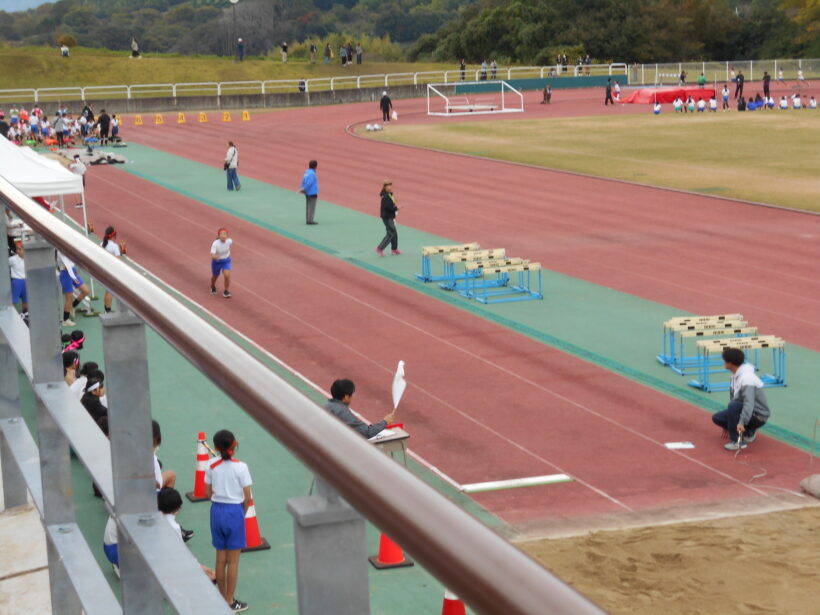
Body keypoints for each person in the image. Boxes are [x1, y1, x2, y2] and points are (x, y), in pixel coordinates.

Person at [204, 429, 252, 613]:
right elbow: (247, 498)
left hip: (216, 511)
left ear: (215, 447)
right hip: (235, 511)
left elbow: (207, 493)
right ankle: (230, 602)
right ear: (234, 444)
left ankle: (222, 597)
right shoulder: (241, 467)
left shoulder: (210, 465)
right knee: (233, 561)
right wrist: (241, 512)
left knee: (220, 558)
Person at [711, 348, 770, 451]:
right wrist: (729, 425)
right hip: (744, 410)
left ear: (730, 363)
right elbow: (733, 398)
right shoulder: (734, 376)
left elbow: (749, 403)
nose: (723, 362)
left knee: (733, 407)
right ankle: (748, 431)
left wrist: (741, 422)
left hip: (758, 415)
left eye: (725, 360)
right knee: (717, 418)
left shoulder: (747, 378)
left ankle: (738, 441)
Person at [157, 489, 215, 577]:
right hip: (171, 568)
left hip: (159, 562)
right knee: (211, 575)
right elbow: (182, 554)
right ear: (178, 508)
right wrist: (199, 566)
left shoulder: (156, 520)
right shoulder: (174, 527)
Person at [323, 379, 396, 438]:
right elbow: (368, 432)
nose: (353, 395)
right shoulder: (343, 412)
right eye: (352, 393)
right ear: (346, 396)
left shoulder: (326, 405)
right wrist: (385, 421)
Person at [57, 250, 90, 327]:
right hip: (66, 274)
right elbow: (67, 266)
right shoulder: (60, 251)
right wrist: (73, 276)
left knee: (86, 291)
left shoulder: (66, 248)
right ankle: (65, 320)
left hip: (73, 271)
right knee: (69, 298)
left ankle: (72, 306)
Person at [375, 180, 401, 256]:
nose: (390, 187)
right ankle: (380, 248)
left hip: (390, 216)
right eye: (388, 186)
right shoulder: (386, 196)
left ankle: (394, 249)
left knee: (394, 233)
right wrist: (396, 208)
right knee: (391, 233)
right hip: (387, 217)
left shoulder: (389, 194)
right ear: (385, 187)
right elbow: (388, 207)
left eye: (390, 185)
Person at [100, 226, 122, 313]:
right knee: (110, 291)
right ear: (113, 235)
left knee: (107, 291)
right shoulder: (114, 246)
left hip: (103, 270)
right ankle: (108, 310)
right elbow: (118, 260)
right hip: (111, 271)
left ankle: (106, 309)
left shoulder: (101, 244)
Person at [210, 228, 232, 298]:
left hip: (226, 261)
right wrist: (216, 257)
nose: (223, 236)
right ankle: (212, 285)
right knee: (215, 276)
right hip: (217, 262)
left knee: (227, 275)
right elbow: (212, 254)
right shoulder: (215, 244)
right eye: (221, 234)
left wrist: (226, 254)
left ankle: (226, 291)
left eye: (225, 234)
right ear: (219, 236)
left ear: (227, 235)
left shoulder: (229, 241)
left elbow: (228, 247)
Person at [9, 241, 27, 322]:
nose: (17, 251)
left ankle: (25, 316)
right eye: (17, 249)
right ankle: (13, 318)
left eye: (20, 249)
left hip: (26, 282)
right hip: (16, 282)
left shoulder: (28, 259)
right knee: (14, 301)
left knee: (26, 300)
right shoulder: (12, 259)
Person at [299, 160, 319, 225]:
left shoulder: (307, 172)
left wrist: (302, 188)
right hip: (312, 192)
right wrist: (305, 189)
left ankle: (308, 219)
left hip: (307, 192)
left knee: (308, 206)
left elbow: (304, 181)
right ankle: (310, 220)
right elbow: (309, 183)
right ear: (315, 166)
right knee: (311, 206)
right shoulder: (312, 174)